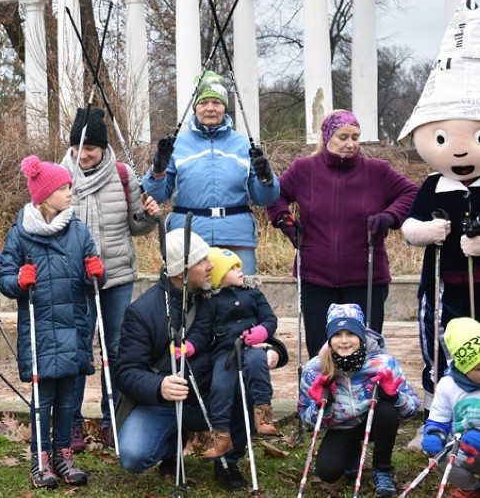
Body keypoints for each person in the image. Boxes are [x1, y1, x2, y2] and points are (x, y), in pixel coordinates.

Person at [266, 109, 418, 358]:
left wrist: (389, 216)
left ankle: (366, 395)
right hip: (315, 275)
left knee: (364, 348)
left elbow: (411, 193)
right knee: (321, 349)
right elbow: (274, 195)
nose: (350, 144)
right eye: (343, 137)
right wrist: (285, 220)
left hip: (366, 275)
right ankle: (322, 394)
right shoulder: (304, 169)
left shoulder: (377, 171)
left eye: (355, 137)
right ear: (327, 137)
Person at [397, 0, 480, 450]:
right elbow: (409, 223)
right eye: (444, 138)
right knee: (441, 343)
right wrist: (424, 231)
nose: (461, 152)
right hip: (445, 283)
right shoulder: (433, 183)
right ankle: (439, 413)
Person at [115, 227, 251, 491]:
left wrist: (274, 349)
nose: (212, 265)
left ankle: (227, 462)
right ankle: (170, 450)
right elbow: (126, 371)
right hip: (162, 404)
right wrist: (159, 386)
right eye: (202, 261)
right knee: (133, 456)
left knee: (244, 382)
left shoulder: (220, 299)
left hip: (211, 398)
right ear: (180, 272)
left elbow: (253, 328)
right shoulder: (142, 312)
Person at [0, 155, 105, 489]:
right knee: (42, 400)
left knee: (68, 400)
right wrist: (19, 281)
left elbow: (92, 281)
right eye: (63, 187)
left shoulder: (79, 230)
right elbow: (5, 277)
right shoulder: (21, 234)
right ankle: (40, 458)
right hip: (40, 330)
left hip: (73, 327)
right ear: (44, 195)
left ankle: (63, 455)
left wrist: (95, 276)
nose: (70, 192)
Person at [60, 106, 160, 451]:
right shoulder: (60, 174)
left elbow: (137, 226)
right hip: (74, 280)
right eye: (78, 146)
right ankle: (69, 424)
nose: (83, 154)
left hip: (116, 277)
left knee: (117, 350)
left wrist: (149, 216)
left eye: (90, 148)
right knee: (75, 351)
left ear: (103, 147)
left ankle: (113, 420)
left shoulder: (123, 174)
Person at [142, 71, 279, 275]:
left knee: (240, 302)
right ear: (195, 107)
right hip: (188, 237)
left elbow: (264, 198)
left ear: (225, 107)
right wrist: (159, 171)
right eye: (204, 102)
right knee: (188, 304)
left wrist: (266, 178)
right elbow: (156, 195)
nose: (210, 109)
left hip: (236, 238)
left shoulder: (243, 144)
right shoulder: (177, 145)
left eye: (217, 102)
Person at [299, 303, 419, 497]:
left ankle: (382, 468)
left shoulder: (383, 362)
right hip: (341, 426)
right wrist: (322, 404)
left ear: (362, 336)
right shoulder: (315, 368)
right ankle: (351, 455)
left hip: (374, 420)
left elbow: (412, 410)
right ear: (329, 338)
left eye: (351, 334)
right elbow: (306, 420)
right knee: (327, 472)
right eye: (337, 334)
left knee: (387, 412)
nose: (344, 341)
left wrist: (394, 396)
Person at [186, 247, 280, 459]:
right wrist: (189, 346)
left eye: (239, 266)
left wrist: (261, 332)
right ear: (219, 274)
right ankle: (221, 435)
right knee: (220, 386)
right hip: (225, 353)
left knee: (258, 365)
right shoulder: (211, 302)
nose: (240, 270)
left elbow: (270, 319)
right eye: (232, 268)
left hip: (252, 348)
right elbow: (202, 331)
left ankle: (263, 414)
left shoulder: (253, 293)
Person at [421, 318, 480, 498]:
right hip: (463, 450)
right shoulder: (448, 385)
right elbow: (438, 419)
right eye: (478, 368)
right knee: (438, 458)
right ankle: (472, 488)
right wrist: (434, 434)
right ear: (463, 367)